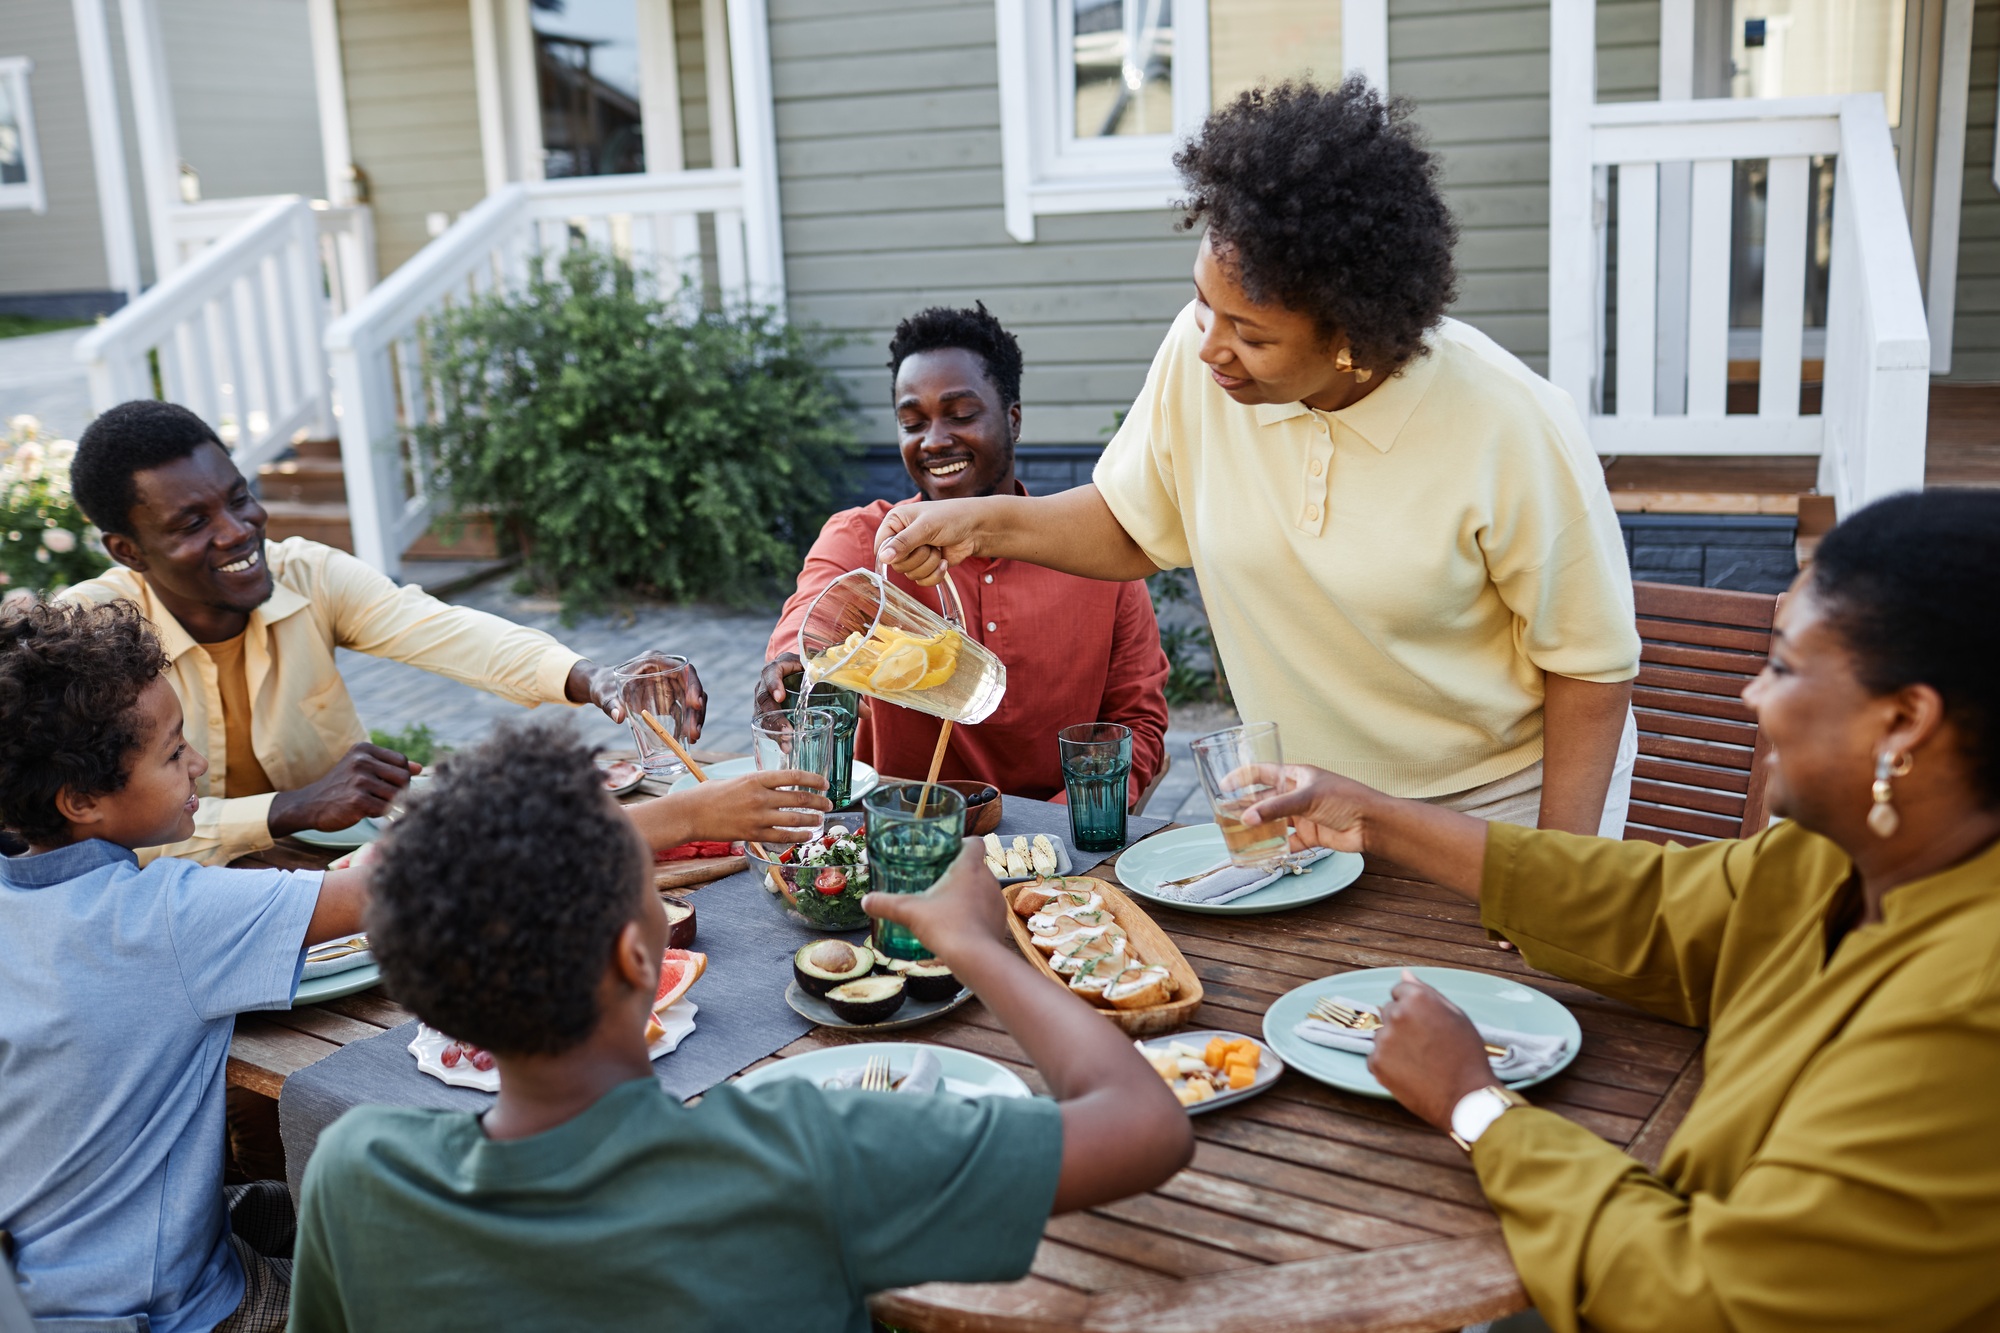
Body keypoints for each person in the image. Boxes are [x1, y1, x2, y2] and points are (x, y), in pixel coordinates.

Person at [1236, 490, 2000, 1331]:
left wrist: (1476, 1106)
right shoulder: (1839, 859)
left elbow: (1708, 1298)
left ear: (1904, 720)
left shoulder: (1968, 1011)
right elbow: (1653, 909)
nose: (1753, 695)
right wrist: (1374, 816)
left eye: (1781, 666)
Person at [878, 81, 1640, 835]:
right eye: (1203, 301)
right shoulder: (1202, 357)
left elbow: (1591, 666)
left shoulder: (1510, 422)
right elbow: (1133, 525)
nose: (1208, 343)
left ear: (1351, 338)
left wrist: (1554, 879)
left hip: (1494, 808)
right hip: (1307, 798)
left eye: (1251, 333)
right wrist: (982, 522)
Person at [287, 720, 1192, 1331]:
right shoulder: (803, 1154)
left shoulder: (356, 1173)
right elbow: (1145, 1126)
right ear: (640, 962)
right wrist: (979, 945)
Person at [59, 399, 714, 866]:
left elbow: (448, 631)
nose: (236, 530)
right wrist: (289, 806)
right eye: (192, 522)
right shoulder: (85, 638)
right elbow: (98, 829)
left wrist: (594, 678)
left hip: (342, 881)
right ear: (128, 550)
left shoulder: (307, 573)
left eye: (237, 497)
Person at [0, 599, 375, 1332]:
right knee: (413, 1277)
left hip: (38, 1287)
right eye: (174, 753)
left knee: (289, 1199)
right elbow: (415, 884)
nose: (198, 761)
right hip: (166, 1310)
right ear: (80, 800)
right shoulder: (167, 915)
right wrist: (675, 817)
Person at [758, 303, 1168, 804]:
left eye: (961, 415)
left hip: (1051, 849)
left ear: (1013, 421)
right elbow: (807, 624)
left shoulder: (1096, 553)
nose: (933, 441)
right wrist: (791, 666)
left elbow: (1137, 724)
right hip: (899, 835)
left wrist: (1053, 832)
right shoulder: (865, 536)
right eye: (912, 422)